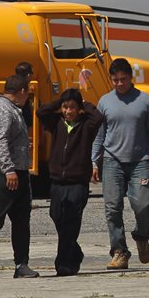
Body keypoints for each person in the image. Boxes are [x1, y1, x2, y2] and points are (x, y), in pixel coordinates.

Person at [92, 58, 149, 270]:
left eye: (123, 79)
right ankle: (119, 251)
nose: (119, 84)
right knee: (112, 208)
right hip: (112, 160)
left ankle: (142, 236)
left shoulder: (145, 101)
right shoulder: (105, 101)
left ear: (130, 78)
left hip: (139, 161)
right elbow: (100, 134)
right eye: (115, 80)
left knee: (141, 204)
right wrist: (94, 161)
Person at [0, 74, 38, 279]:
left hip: (18, 171)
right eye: (27, 92)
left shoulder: (14, 109)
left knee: (21, 220)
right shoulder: (2, 110)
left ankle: (22, 264)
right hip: (3, 173)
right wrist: (8, 169)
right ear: (21, 91)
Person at [38, 88, 104, 276]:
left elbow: (98, 118)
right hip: (58, 181)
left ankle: (65, 263)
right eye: (65, 108)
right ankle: (75, 251)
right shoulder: (56, 123)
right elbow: (41, 112)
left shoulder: (86, 126)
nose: (68, 111)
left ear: (79, 109)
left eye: (72, 108)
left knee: (70, 222)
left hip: (77, 182)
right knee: (56, 215)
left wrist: (84, 104)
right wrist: (58, 102)